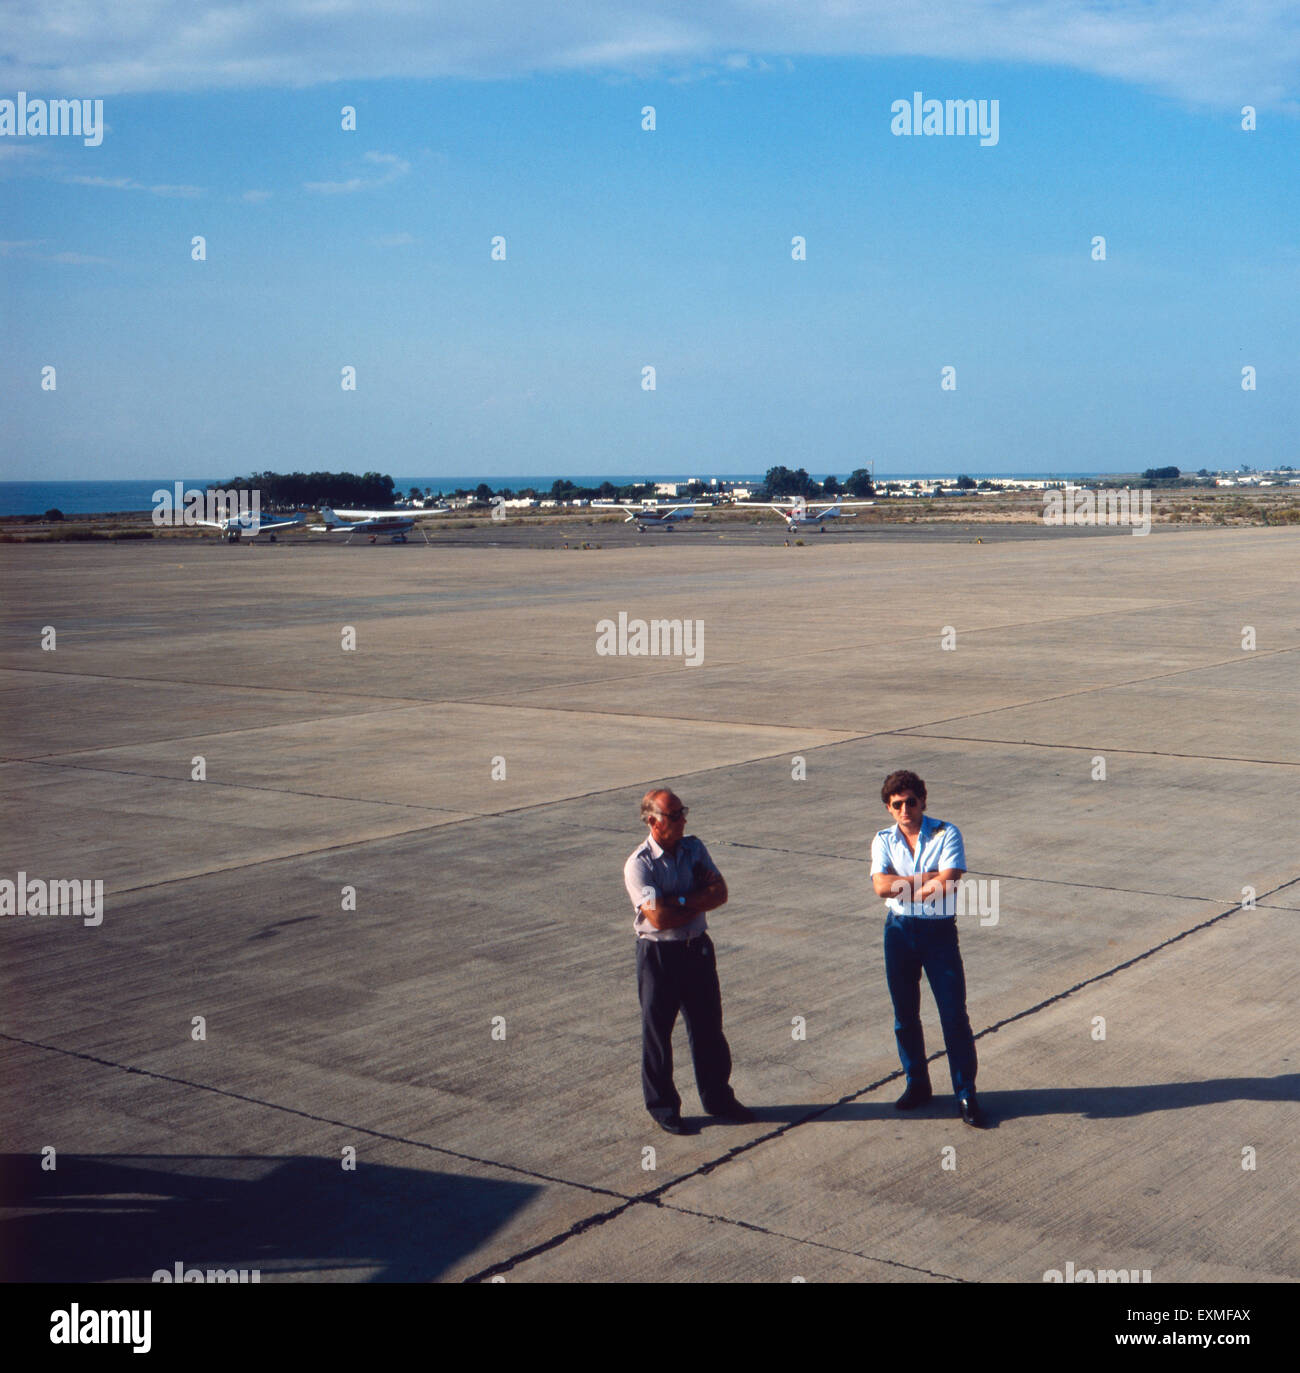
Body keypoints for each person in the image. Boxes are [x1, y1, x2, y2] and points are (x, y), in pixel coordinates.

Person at [623, 788, 755, 1135]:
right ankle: (663, 1107)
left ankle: (718, 1099)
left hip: (697, 950)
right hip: (659, 956)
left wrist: (678, 900)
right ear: (653, 822)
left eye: (683, 812)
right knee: (658, 1034)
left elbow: (720, 893)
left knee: (709, 1030)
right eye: (675, 815)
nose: (683, 820)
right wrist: (697, 900)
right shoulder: (639, 865)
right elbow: (658, 919)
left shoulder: (694, 849)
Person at [870, 770, 987, 1128]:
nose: (905, 809)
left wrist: (905, 886)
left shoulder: (946, 832)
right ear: (889, 809)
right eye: (897, 804)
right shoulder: (882, 840)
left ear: (923, 800)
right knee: (905, 1015)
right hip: (899, 932)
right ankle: (916, 1084)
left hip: (938, 933)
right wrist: (927, 879)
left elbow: (950, 879)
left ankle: (965, 1092)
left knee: (953, 1014)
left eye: (911, 801)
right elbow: (879, 887)